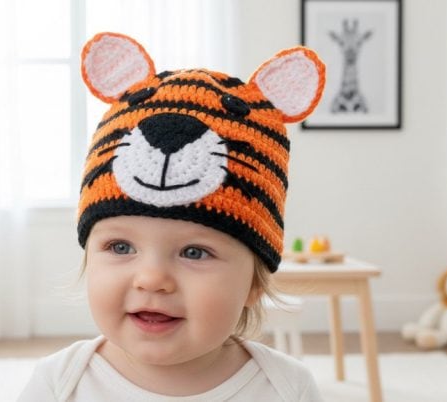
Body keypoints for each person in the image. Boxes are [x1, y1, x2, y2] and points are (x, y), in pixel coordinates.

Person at [18, 32, 326, 402]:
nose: (152, 280)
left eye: (194, 252)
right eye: (120, 246)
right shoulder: (60, 383)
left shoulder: (287, 389)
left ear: (254, 285)